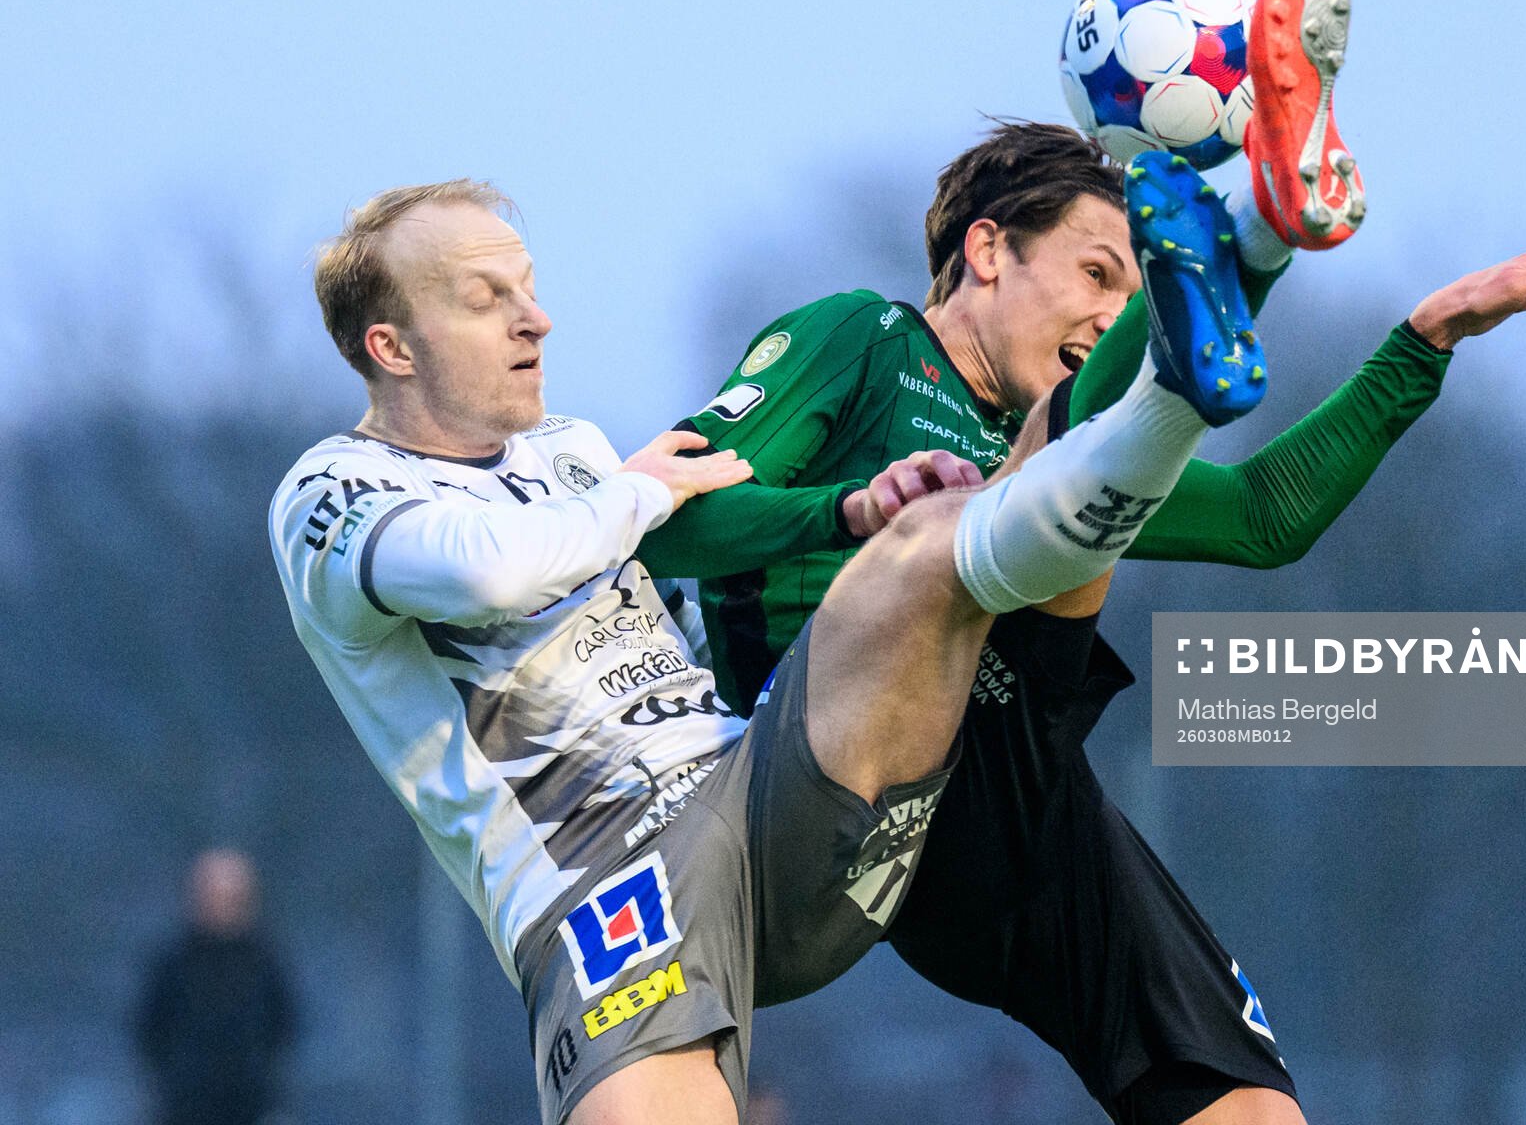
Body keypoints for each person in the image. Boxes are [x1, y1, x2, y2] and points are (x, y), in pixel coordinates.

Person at [649, 0, 1526, 1125]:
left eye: (1132, 284)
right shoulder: (862, 338)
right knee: (1049, 466)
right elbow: (670, 532)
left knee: (1250, 1109)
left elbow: (1266, 515)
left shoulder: (1046, 441)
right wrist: (849, 507)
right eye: (1100, 272)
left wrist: (1423, 344)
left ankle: (1247, 229)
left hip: (1026, 802)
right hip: (842, 779)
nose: (1106, 306)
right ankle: (1255, 217)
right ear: (986, 252)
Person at [269, 156, 1265, 1124]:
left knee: (944, 530)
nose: (537, 317)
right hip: (596, 884)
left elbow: (673, 608)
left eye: (529, 288)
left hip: (755, 797)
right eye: (488, 299)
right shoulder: (334, 492)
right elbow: (485, 567)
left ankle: (1229, 266)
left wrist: (838, 513)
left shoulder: (571, 451)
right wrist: (640, 490)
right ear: (392, 347)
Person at [136, 849, 297, 1125]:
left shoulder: (266, 963)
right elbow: (150, 1029)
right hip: (185, 1109)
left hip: (252, 1107)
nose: (220, 904)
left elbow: (283, 1026)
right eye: (212, 894)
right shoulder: (173, 962)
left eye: (230, 896)